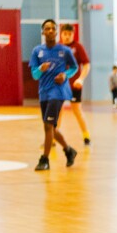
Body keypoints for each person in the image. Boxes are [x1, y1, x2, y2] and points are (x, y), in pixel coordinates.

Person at [29, 19, 79, 171]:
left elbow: (75, 68)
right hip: (44, 92)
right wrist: (41, 69)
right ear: (43, 32)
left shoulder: (64, 51)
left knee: (48, 125)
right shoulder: (37, 51)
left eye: (53, 28)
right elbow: (35, 75)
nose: (50, 31)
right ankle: (69, 151)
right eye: (47, 29)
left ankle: (44, 159)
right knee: (51, 127)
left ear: (56, 32)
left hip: (59, 92)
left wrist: (65, 74)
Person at [59, 24, 91, 145]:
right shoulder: (57, 47)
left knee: (77, 110)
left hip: (74, 86)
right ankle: (54, 136)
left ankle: (86, 136)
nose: (67, 36)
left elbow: (86, 65)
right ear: (61, 34)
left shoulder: (78, 47)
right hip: (60, 85)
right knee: (58, 111)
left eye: (69, 34)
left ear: (73, 34)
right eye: (65, 34)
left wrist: (81, 79)